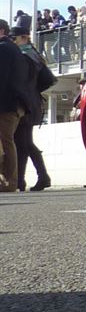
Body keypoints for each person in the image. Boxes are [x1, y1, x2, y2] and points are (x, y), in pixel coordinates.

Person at [10, 15, 54, 191]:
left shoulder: (25, 55)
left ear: (22, 38)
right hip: (32, 102)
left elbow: (22, 81)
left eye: (15, 38)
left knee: (24, 142)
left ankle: (38, 177)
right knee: (23, 142)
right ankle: (25, 178)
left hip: (26, 103)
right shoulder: (33, 54)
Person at [0, 18, 36, 192]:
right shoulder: (12, 49)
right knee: (8, 141)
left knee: (6, 141)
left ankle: (9, 182)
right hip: (14, 102)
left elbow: (2, 78)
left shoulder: (4, 49)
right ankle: (9, 180)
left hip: (7, 103)